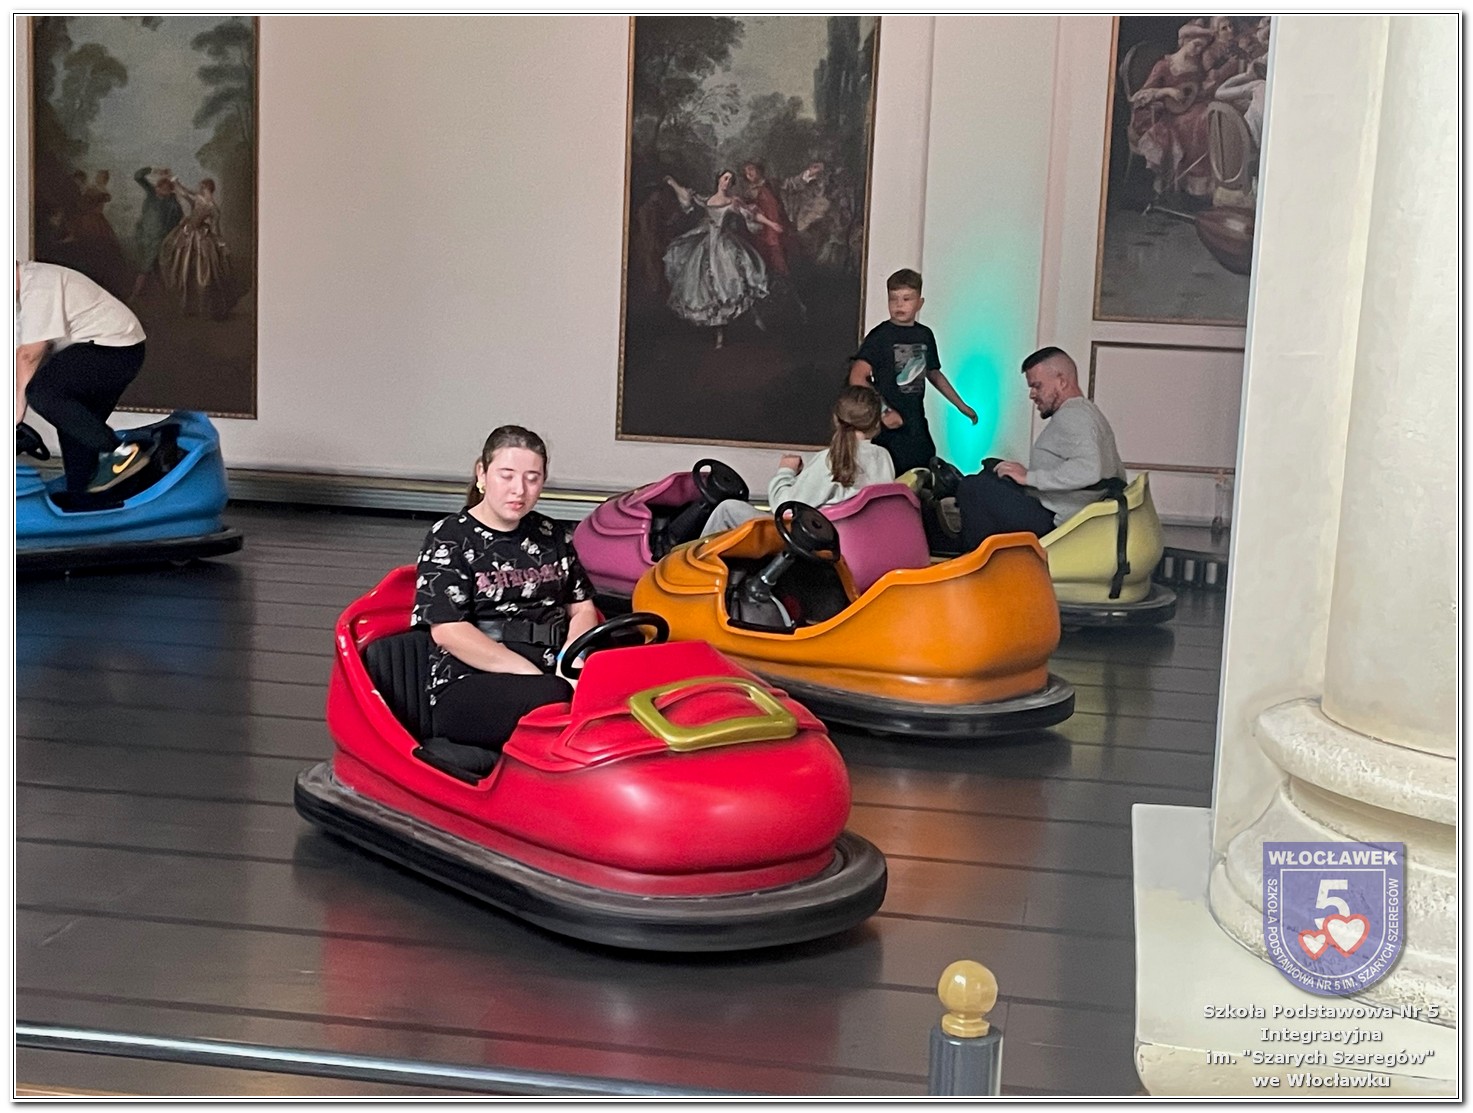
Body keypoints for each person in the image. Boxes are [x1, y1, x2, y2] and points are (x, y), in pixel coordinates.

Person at [411, 425, 599, 778]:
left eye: (532, 478)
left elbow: (582, 607)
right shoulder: (450, 537)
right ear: (482, 473)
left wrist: (571, 660)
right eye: (507, 475)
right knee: (555, 696)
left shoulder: (551, 534)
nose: (520, 490)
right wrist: (532, 674)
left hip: (554, 672)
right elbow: (448, 631)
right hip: (469, 684)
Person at [952, 346, 1124, 552]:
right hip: (1060, 508)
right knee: (991, 473)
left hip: (1056, 520)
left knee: (972, 488)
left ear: (1062, 381)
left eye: (1037, 386)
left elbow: (1089, 469)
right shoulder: (1086, 411)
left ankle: (976, 563)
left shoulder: (1073, 417)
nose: (1032, 395)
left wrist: (1029, 478)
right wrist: (1023, 475)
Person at [15, 260, 152, 494]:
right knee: (76, 428)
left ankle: (121, 453)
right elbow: (22, 354)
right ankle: (84, 499)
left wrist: (16, 412)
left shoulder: (37, 285)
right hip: (113, 350)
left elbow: (28, 355)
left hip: (113, 350)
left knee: (43, 393)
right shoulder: (22, 295)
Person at [701, 385, 895, 536]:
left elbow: (784, 508)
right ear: (876, 424)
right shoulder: (884, 457)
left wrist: (785, 472)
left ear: (836, 419)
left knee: (727, 509)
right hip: (853, 539)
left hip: (809, 537)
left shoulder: (830, 459)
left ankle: (694, 573)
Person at [848, 268, 977, 475]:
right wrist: (883, 411)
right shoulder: (880, 336)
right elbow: (857, 376)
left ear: (919, 303)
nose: (899, 305)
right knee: (889, 472)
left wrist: (961, 406)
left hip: (916, 420)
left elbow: (933, 373)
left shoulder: (924, 335)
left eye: (906, 299)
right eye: (893, 299)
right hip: (887, 425)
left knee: (923, 470)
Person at [662, 169, 781, 349]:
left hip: (726, 247)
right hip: (708, 245)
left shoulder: (733, 201)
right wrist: (672, 182)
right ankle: (719, 334)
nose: (727, 182)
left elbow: (751, 213)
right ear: (718, 180)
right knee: (709, 288)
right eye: (725, 178)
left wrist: (771, 223)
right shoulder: (707, 200)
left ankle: (754, 318)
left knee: (735, 283)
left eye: (730, 180)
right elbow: (687, 196)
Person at [1127, 22, 1216, 201]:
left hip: (1189, 108)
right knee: (1196, 122)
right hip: (1164, 114)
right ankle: (1182, 187)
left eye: (1202, 47)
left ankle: (1198, 189)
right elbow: (1140, 96)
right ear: (1184, 41)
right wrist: (1168, 91)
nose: (1198, 50)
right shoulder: (1165, 65)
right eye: (1196, 44)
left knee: (1208, 117)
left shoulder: (1198, 67)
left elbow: (1195, 92)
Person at [158, 175, 237, 319]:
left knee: (196, 270)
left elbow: (215, 229)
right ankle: (189, 305)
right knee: (188, 268)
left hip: (197, 237)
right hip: (190, 234)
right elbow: (186, 194)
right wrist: (177, 183)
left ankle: (197, 306)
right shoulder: (207, 204)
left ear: (207, 188)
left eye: (202, 187)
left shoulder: (209, 206)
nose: (200, 189)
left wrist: (221, 244)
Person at [130, 167, 183, 302]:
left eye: (166, 189)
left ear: (170, 190)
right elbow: (137, 176)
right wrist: (154, 169)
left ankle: (135, 295)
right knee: (155, 268)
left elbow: (177, 221)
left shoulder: (172, 203)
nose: (162, 190)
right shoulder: (151, 194)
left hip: (159, 239)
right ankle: (164, 296)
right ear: (157, 187)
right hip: (143, 236)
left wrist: (170, 236)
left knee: (147, 267)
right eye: (160, 188)